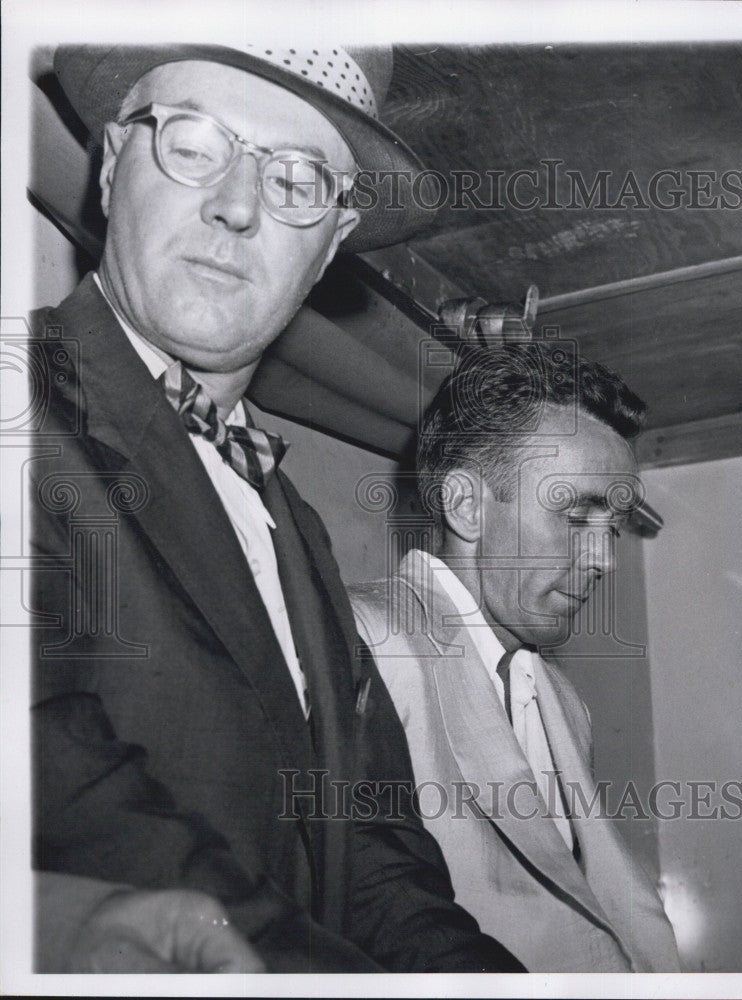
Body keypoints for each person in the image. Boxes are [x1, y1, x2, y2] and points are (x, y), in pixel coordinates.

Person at [29, 44, 521, 973]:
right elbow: (53, 780)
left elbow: (373, 854)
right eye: (194, 143)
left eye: (296, 179)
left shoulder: (291, 521)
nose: (238, 204)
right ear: (108, 169)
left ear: (332, 241)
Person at [349, 343, 682, 972]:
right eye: (575, 512)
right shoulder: (359, 637)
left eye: (610, 527)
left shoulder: (562, 701)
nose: (605, 559)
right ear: (467, 505)